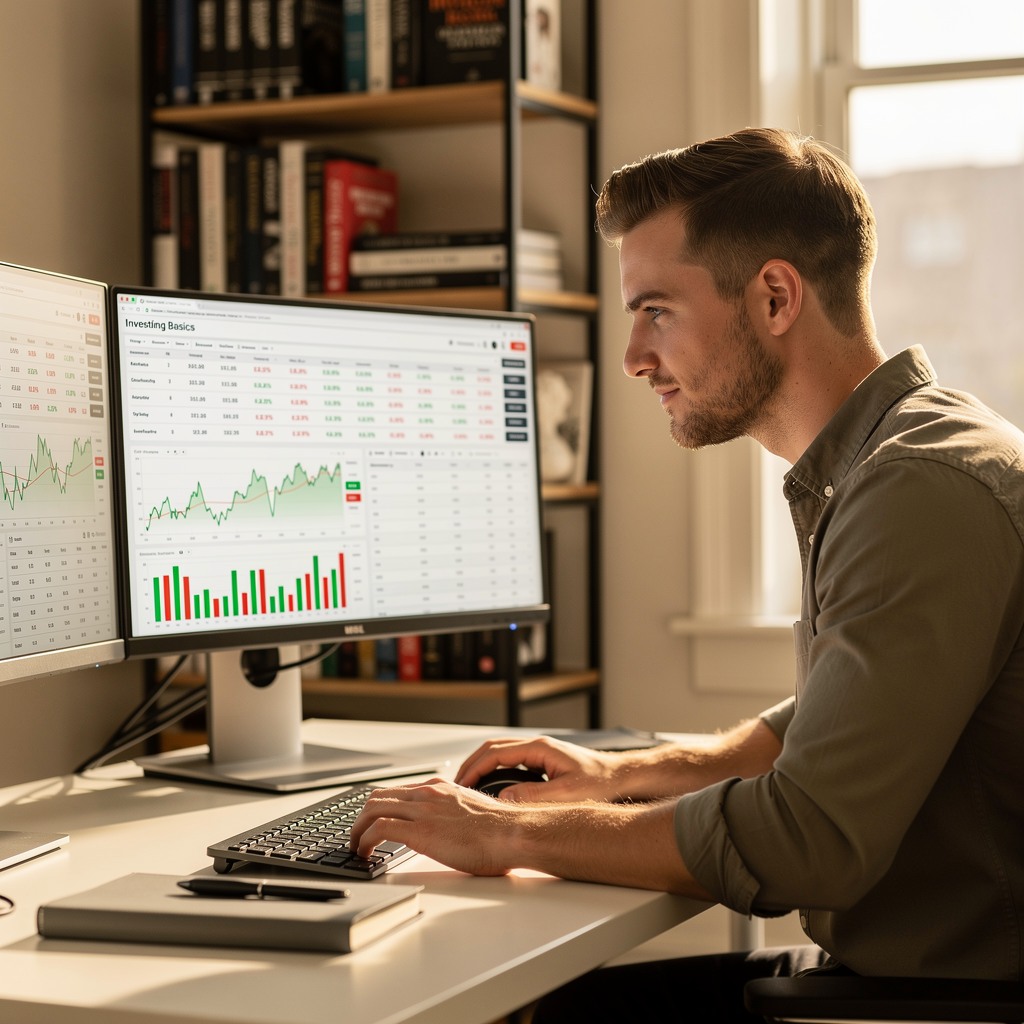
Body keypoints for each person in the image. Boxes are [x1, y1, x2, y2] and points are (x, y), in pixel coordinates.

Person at [350, 127, 1024, 1020]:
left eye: (657, 310)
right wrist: (615, 777)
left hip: (938, 1002)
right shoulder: (906, 450)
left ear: (775, 296)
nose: (633, 356)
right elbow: (827, 727)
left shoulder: (915, 490)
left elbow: (806, 839)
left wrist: (505, 830)